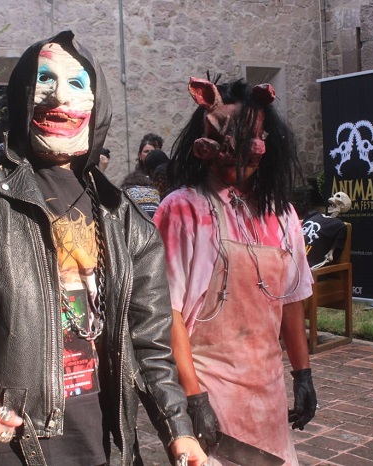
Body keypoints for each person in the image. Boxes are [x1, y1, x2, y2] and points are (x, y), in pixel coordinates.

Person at [0, 31, 206, 466]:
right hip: (10, 439)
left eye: (76, 83)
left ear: (97, 104)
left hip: (105, 443)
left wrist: (179, 430)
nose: (57, 96)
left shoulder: (123, 217)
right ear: (20, 92)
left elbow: (149, 343)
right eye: (44, 79)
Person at [153, 76, 317, 465]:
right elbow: (167, 313)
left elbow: (291, 301)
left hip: (267, 391)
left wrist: (302, 374)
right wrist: (193, 397)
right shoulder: (183, 210)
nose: (235, 155)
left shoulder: (283, 215)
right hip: (209, 386)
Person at [302, 191, 351, 269]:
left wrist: (330, 254)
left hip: (308, 266)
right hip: (292, 257)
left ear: (343, 206)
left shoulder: (339, 226)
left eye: (337, 197)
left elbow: (332, 255)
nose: (332, 199)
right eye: (333, 196)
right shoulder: (312, 214)